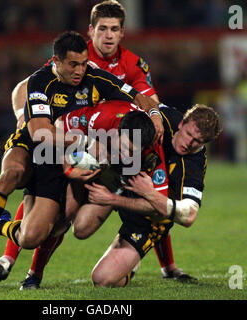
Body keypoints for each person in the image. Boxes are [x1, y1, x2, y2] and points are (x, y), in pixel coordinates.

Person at [0, 0, 187, 287]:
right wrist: (23, 116)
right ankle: (19, 264)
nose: (108, 35)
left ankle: (168, 265)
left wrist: (153, 114)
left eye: (114, 29)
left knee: (148, 192)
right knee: (56, 210)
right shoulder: (75, 54)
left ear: (122, 33)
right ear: (91, 30)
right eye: (102, 28)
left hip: (118, 146)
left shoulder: (133, 64)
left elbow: (149, 99)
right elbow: (25, 88)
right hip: (71, 141)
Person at [0, 31, 162, 269]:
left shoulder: (95, 77)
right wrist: (85, 143)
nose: (79, 70)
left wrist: (154, 115)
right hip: (32, 145)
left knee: (32, 237)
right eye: (73, 64)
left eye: (83, 64)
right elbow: (41, 134)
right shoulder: (40, 82)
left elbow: (141, 97)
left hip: (57, 159)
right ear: (56, 61)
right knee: (12, 173)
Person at [84, 103, 222, 287]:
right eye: (189, 134)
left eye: (197, 141)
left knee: (102, 280)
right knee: (81, 227)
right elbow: (141, 99)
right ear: (181, 123)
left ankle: (132, 266)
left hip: (148, 217)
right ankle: (35, 273)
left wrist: (147, 194)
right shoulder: (162, 119)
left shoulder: (192, 166)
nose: (189, 143)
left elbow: (189, 215)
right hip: (123, 181)